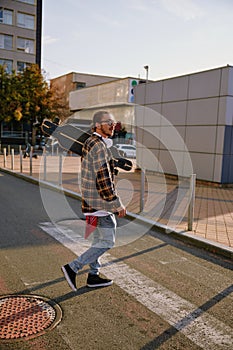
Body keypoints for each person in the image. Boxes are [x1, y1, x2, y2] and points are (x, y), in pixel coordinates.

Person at [61, 111, 126, 290]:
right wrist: (116, 203)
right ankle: (73, 268)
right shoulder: (98, 146)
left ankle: (93, 276)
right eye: (108, 122)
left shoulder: (93, 143)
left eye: (114, 122)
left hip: (93, 202)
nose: (113, 125)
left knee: (98, 241)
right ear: (97, 125)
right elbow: (104, 179)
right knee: (107, 242)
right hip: (101, 204)